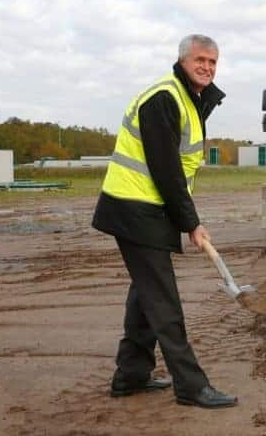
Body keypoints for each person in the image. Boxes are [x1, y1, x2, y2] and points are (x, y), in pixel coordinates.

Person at [92, 34, 238, 409]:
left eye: (212, 62)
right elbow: (166, 169)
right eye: (200, 60)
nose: (207, 67)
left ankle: (131, 375)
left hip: (148, 210)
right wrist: (191, 222)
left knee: (146, 294)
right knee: (164, 302)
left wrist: (183, 217)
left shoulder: (189, 99)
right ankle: (190, 386)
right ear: (183, 61)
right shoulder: (164, 98)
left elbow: (176, 171)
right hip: (134, 209)